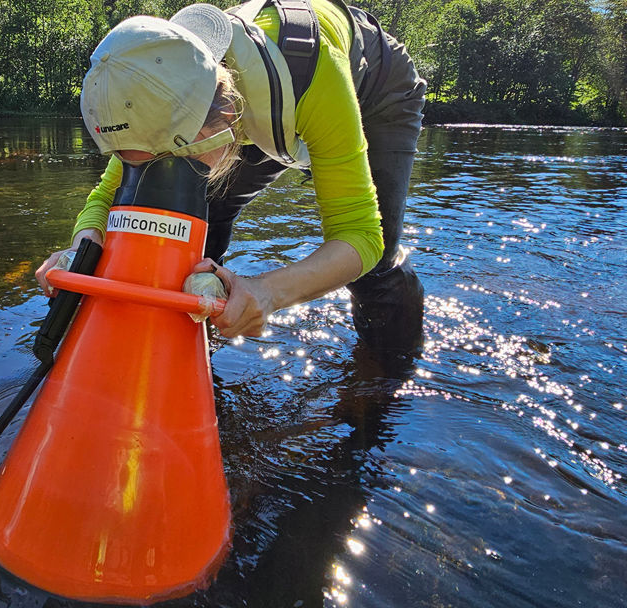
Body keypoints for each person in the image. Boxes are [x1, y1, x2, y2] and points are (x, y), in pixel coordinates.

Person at [35, 0, 427, 353]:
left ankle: (386, 385)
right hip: (248, 103)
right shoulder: (157, 87)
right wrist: (83, 248)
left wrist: (265, 293)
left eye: (170, 157)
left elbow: (359, 234)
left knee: (376, 266)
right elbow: (108, 196)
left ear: (224, 122)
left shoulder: (314, 76)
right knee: (202, 207)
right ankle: (197, 327)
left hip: (375, 89)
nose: (157, 169)